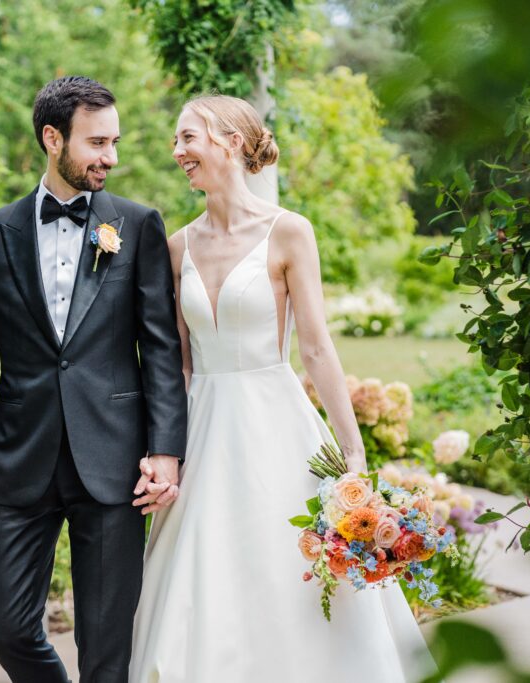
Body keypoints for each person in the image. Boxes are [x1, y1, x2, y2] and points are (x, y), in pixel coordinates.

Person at [129, 95, 437, 683]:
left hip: (277, 422)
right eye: (177, 141)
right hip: (202, 427)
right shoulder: (175, 247)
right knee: (201, 573)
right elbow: (176, 364)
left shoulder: (289, 232)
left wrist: (353, 452)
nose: (177, 152)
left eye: (188, 138)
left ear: (230, 141)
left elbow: (317, 348)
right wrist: (163, 448)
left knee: (285, 568)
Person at [0, 76, 187, 683]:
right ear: (53, 139)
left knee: (106, 646)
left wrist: (165, 450)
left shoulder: (137, 225)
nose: (111, 157)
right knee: (3, 625)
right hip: (19, 456)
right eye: (97, 142)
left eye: (115, 142)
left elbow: (160, 347)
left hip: (113, 460)